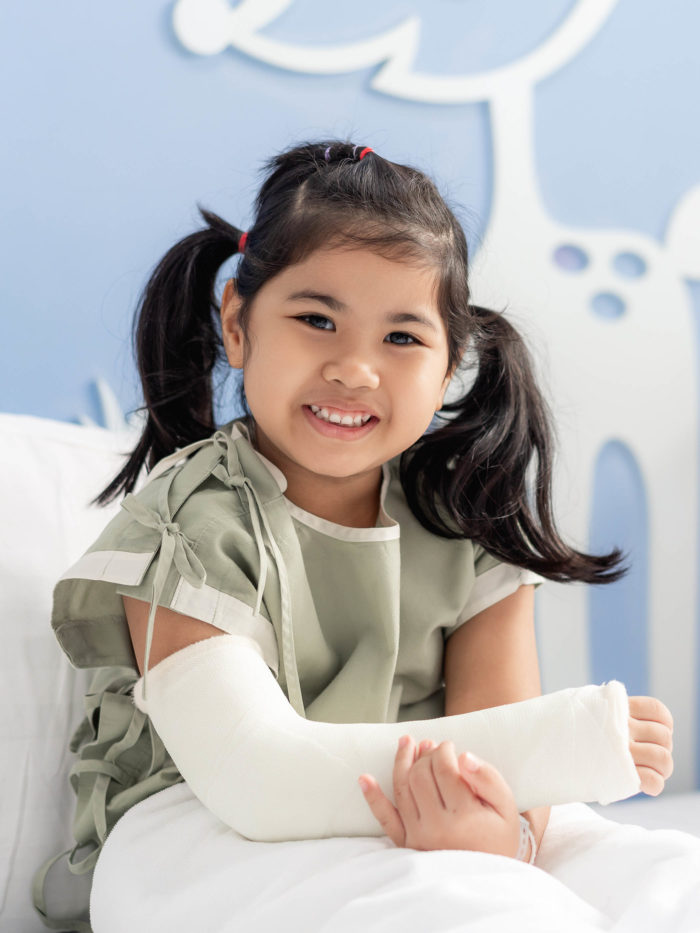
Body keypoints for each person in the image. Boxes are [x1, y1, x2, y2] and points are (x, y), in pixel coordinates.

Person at [37, 139, 673, 929]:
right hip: (206, 826)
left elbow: (512, 759)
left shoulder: (463, 524)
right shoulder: (192, 524)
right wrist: (565, 745)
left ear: (450, 366)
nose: (355, 368)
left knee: (659, 874)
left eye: (402, 337)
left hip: (410, 802)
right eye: (316, 319)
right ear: (237, 324)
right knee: (447, 905)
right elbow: (253, 773)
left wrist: (500, 834)